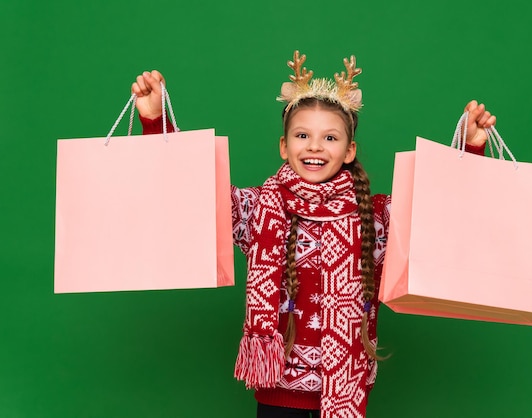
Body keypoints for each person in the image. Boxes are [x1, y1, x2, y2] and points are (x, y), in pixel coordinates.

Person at [132, 51, 495, 418]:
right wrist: (156, 120)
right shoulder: (261, 209)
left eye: (331, 138)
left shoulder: (375, 216)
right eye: (302, 135)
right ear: (283, 146)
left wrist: (470, 148)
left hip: (347, 384)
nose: (315, 146)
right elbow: (195, 194)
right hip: (279, 388)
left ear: (349, 151)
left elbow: (438, 221)